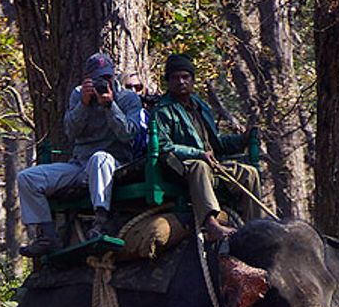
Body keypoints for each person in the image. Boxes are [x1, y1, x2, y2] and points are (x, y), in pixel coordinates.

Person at [15, 51, 145, 257]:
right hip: (79, 164)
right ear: (88, 79)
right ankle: (47, 235)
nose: (103, 83)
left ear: (113, 76)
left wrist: (110, 106)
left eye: (107, 77)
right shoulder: (78, 94)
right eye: (98, 79)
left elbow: (128, 134)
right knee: (27, 178)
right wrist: (84, 104)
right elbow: (70, 132)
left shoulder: (127, 98)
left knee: (99, 158)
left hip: (113, 163)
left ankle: (101, 221)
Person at [152, 53, 263, 226]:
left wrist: (243, 139)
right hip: (181, 167)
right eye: (175, 78)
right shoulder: (162, 110)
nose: (181, 82)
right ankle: (210, 223)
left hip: (213, 165)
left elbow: (216, 143)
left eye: (185, 77)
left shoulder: (201, 106)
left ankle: (254, 226)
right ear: (168, 82)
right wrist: (198, 154)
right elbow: (163, 146)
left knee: (250, 173)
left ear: (192, 80)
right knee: (200, 166)